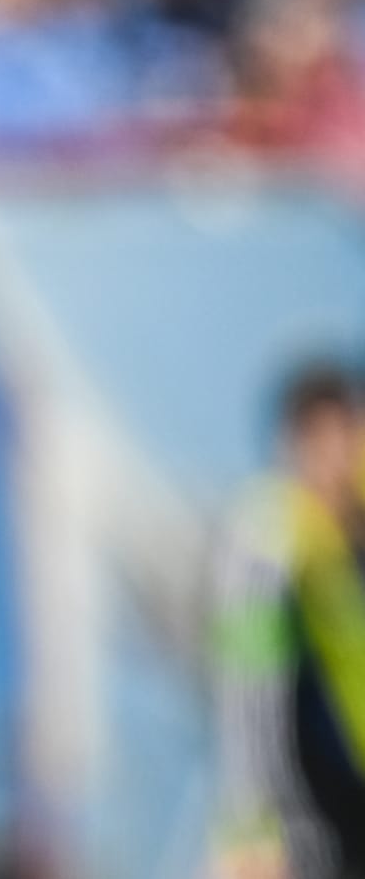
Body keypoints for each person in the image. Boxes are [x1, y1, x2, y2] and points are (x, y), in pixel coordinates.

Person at [211, 364, 365, 879]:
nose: (337, 457)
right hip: (302, 828)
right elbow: (246, 695)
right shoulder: (267, 539)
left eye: (346, 434)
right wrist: (252, 826)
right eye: (320, 439)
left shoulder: (348, 541)